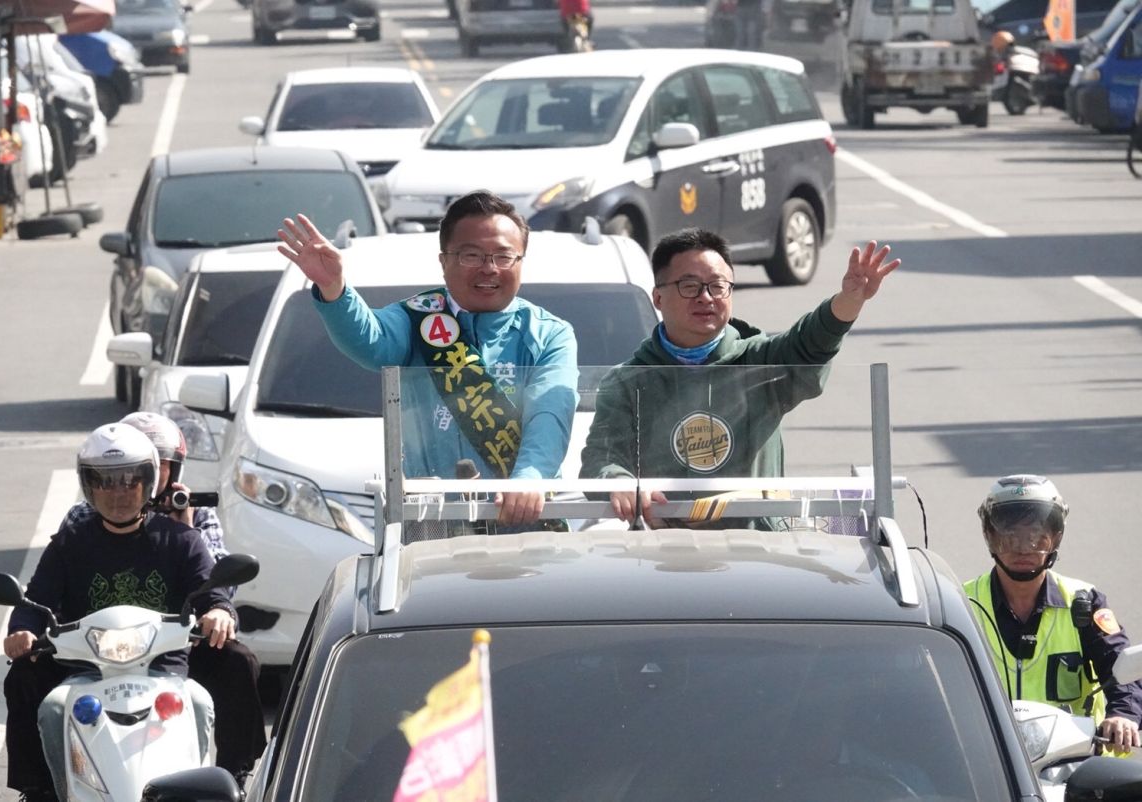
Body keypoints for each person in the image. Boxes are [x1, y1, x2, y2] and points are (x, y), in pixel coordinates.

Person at [278, 189, 579, 527]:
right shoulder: (418, 318)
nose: (489, 269)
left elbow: (551, 413)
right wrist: (335, 289)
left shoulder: (549, 333)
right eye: (471, 255)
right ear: (443, 261)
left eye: (503, 256)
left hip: (519, 518)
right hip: (433, 524)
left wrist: (529, 479)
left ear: (521, 260)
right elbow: (370, 340)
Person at [579, 228, 900, 528]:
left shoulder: (759, 361)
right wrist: (619, 483)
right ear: (658, 298)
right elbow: (601, 462)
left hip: (758, 553)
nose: (706, 298)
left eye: (717, 286)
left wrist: (850, 300)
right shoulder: (628, 382)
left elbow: (809, 343)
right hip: (666, 556)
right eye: (689, 286)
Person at [2, 423, 235, 802]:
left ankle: (197, 792)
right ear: (89, 487)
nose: (118, 493)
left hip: (163, 669)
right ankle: (45, 792)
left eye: (130, 480)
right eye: (105, 482)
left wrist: (219, 611)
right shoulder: (70, 543)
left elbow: (210, 589)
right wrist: (23, 630)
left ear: (147, 481)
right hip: (86, 673)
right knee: (52, 707)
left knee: (198, 702)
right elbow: (36, 598)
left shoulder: (182, 540)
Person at [56, 412, 267, 787]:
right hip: (98, 648)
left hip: (175, 646)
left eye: (157, 466)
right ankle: (44, 786)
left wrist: (183, 528)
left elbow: (219, 585)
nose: (126, 486)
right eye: (117, 475)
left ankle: (233, 775)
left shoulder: (195, 513)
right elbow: (54, 581)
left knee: (238, 661)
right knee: (31, 680)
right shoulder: (84, 518)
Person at [965, 475, 1142, 754]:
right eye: (1010, 537)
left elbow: (1121, 667)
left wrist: (1123, 716)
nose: (1023, 548)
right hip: (988, 759)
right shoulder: (962, 602)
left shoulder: (1084, 602)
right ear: (989, 536)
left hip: (1071, 761)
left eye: (1036, 537)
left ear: (1056, 537)